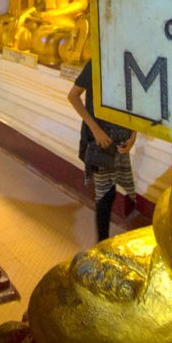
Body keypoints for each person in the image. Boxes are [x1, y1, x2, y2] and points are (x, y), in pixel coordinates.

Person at [68, 59, 137, 241]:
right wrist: (95, 130)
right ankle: (101, 244)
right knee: (104, 193)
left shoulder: (130, 60)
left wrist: (133, 134)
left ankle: (103, 242)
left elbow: (136, 100)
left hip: (121, 136)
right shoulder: (97, 61)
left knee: (111, 191)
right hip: (100, 139)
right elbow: (73, 96)